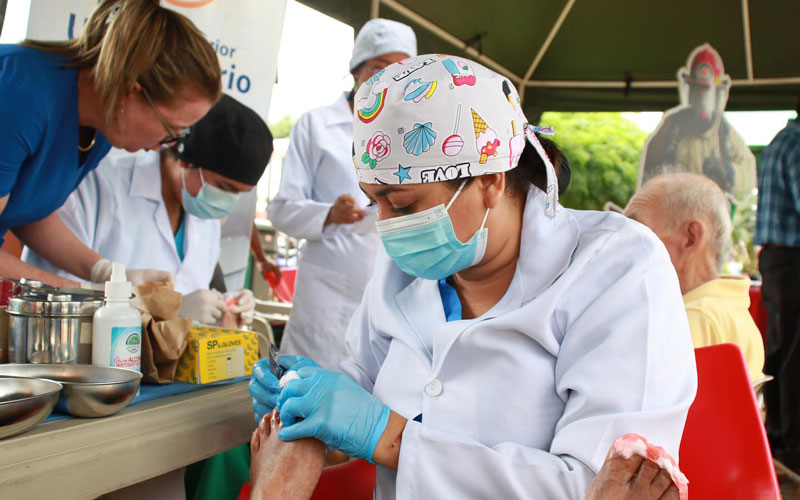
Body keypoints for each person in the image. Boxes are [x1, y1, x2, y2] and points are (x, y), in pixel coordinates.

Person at [250, 54, 696, 499]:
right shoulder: (401, 274)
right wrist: (310, 403)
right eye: (374, 203)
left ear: (491, 181)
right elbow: (361, 387)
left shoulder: (617, 270)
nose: (385, 227)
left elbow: (604, 486)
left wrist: (389, 437)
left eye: (402, 205)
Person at [0, 0, 221, 288]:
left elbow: (26, 211)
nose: (164, 146)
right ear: (131, 90)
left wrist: (105, 273)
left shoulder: (101, 128)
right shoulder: (20, 96)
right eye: (171, 131)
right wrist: (83, 293)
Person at [23, 95, 271, 327]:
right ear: (187, 160)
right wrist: (163, 311)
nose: (227, 201)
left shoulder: (204, 217)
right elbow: (52, 296)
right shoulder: (97, 184)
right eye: (224, 188)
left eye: (239, 193)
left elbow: (192, 304)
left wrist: (223, 309)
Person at [268, 18, 417, 369]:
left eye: (400, 73)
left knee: (374, 390)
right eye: (379, 69)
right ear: (356, 71)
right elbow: (281, 209)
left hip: (391, 280)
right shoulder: (316, 124)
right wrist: (328, 214)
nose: (387, 81)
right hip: (328, 286)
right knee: (306, 390)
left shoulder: (410, 131)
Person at [624, 172, 765, 383]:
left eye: (636, 231)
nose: (622, 245)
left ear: (690, 238)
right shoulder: (730, 307)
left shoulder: (694, 318)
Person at [639, 44, 755, 203]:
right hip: (673, 215)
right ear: (690, 89)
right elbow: (647, 180)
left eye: (706, 89)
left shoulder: (725, 133)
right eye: (696, 89)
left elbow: (748, 178)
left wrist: (728, 172)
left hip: (711, 217)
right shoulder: (671, 127)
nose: (701, 97)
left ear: (717, 91)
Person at [755, 110, 800, 471]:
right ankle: (791, 444)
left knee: (781, 347)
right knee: (793, 353)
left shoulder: (778, 142)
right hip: (793, 257)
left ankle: (777, 437)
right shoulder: (798, 143)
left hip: (777, 258)